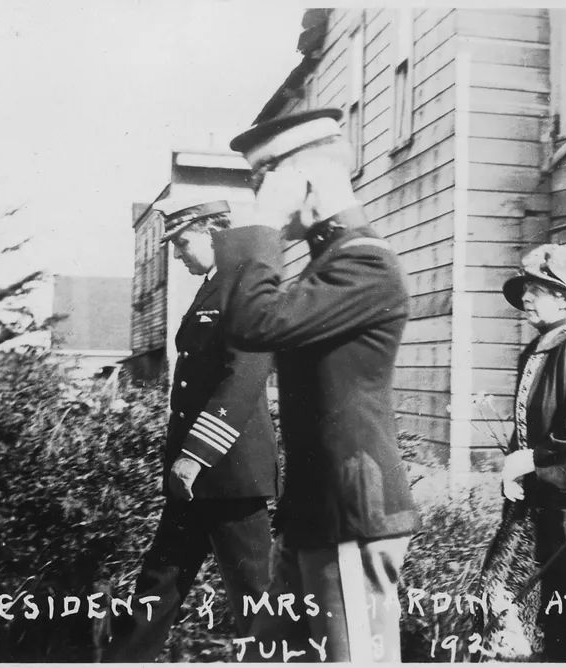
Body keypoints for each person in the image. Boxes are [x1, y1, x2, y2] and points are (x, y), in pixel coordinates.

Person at [211, 108, 420, 663]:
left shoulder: (365, 267)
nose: (260, 196)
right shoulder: (331, 267)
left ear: (301, 181)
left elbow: (255, 321)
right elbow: (256, 316)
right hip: (317, 511)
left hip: (348, 512)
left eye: (264, 181)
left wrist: (261, 226)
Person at [103, 197, 279, 662]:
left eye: (181, 243)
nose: (177, 255)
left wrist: (195, 455)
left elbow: (242, 378)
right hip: (194, 478)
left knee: (255, 596)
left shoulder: (249, 281)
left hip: (228, 474)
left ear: (211, 232)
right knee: (159, 581)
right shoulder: (214, 286)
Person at [480, 243, 566, 661]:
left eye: (537, 289)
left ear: (565, 297)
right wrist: (515, 464)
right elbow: (527, 421)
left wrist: (537, 458)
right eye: (525, 288)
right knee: (548, 604)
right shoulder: (535, 349)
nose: (526, 297)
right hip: (541, 497)